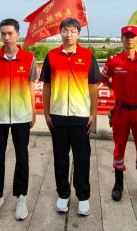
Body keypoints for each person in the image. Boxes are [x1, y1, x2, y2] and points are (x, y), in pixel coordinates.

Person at [40, 17, 102, 216]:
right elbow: (46, 86)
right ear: (60, 33)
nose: (68, 35)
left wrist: (93, 113)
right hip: (57, 115)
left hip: (80, 115)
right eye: (65, 31)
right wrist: (46, 112)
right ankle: (63, 194)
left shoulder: (88, 55)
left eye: (73, 31)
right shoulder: (52, 56)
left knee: (82, 157)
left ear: (78, 34)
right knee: (60, 157)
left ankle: (83, 196)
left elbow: (93, 87)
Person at [0, 18, 38, 221]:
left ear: (17, 34)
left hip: (22, 116)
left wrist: (33, 112)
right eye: (3, 33)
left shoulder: (29, 58)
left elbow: (31, 85)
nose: (6, 37)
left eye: (10, 33)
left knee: (22, 157)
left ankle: (21, 197)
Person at [101, 26, 137, 204]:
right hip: (121, 111)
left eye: (132, 36)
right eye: (126, 37)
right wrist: (116, 89)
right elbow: (104, 78)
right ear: (121, 39)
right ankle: (118, 183)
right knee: (119, 147)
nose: (129, 40)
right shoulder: (114, 60)